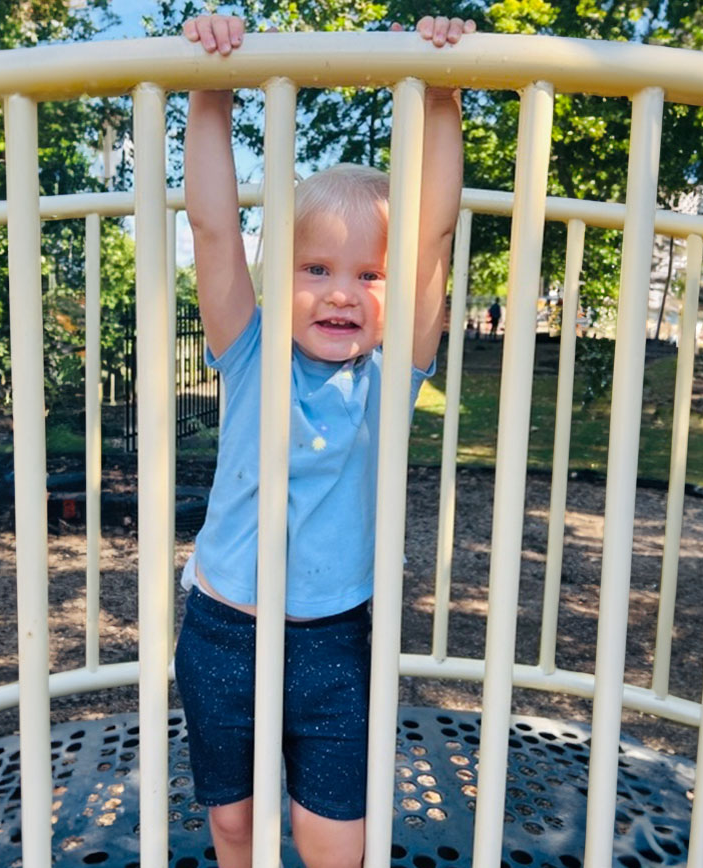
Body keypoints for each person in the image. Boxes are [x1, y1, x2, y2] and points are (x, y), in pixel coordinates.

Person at [174, 14, 472, 868]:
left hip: (334, 645)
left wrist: (444, 94)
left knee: (332, 839)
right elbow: (214, 230)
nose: (343, 294)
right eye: (317, 270)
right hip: (224, 631)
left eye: (369, 275)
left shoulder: (392, 373)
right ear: (280, 278)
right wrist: (210, 91)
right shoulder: (252, 348)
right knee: (233, 825)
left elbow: (435, 238)